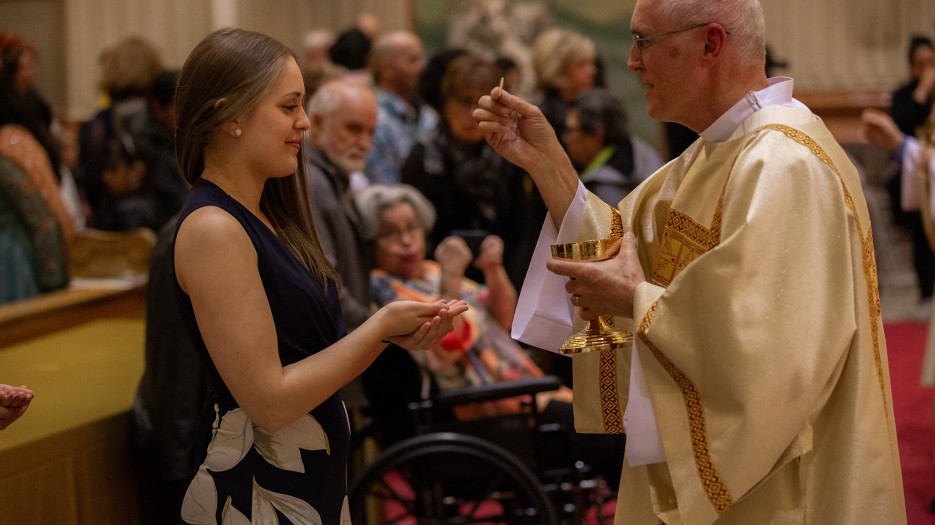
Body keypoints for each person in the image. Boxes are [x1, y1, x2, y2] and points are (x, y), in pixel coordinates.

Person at [473, 0, 906, 522]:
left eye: (644, 41)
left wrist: (636, 302)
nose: (632, 62)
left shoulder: (783, 165)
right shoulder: (718, 151)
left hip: (783, 490)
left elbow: (772, 357)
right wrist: (550, 166)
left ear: (710, 43)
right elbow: (623, 243)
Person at [171, 28, 467, 524]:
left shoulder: (269, 212)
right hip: (257, 491)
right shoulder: (214, 228)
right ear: (230, 117)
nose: (304, 122)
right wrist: (380, 328)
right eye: (289, 106)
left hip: (306, 483)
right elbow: (268, 402)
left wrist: (389, 335)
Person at [357, 183, 626, 485]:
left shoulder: (432, 270)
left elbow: (507, 320)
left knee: (613, 417)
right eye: (390, 234)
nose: (406, 241)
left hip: (516, 387)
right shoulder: (383, 289)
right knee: (609, 433)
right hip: (480, 409)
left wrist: (493, 269)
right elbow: (448, 344)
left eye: (411, 228)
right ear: (371, 242)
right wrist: (452, 277)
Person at [304, 79, 378, 332]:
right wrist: (373, 329)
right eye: (354, 129)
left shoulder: (334, 174)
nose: (365, 143)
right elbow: (323, 279)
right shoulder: (310, 180)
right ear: (317, 123)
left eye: (371, 132)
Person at [889, 35, 935, 321]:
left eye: (932, 62)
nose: (928, 69)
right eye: (921, 64)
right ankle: (926, 293)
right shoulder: (904, 94)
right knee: (922, 231)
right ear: (911, 67)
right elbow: (901, 126)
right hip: (915, 175)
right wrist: (923, 90)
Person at [563, 88, 664, 206]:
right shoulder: (645, 154)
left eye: (570, 130)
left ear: (597, 135)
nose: (565, 138)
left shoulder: (603, 193)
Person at [363, 30, 438, 185]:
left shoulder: (428, 112)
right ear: (387, 69)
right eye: (413, 60)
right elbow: (383, 188)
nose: (423, 67)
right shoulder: (373, 117)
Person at [531, 27, 598, 140]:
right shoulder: (543, 119)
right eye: (581, 64)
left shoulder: (586, 109)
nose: (592, 71)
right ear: (558, 69)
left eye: (591, 63)